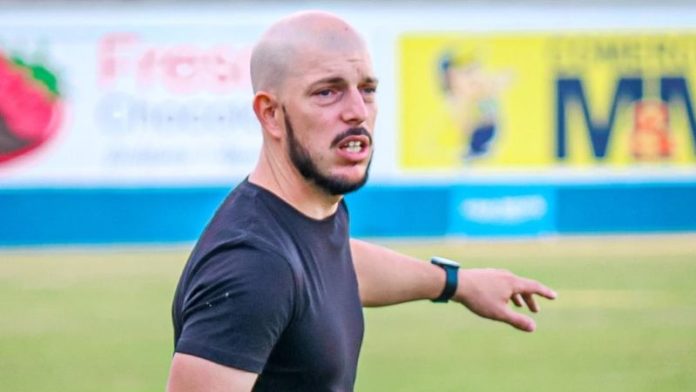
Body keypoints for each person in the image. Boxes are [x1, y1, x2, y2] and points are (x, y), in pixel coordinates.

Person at [167, 10, 557, 392]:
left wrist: (457, 283)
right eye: (327, 92)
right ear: (270, 114)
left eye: (367, 90)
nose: (356, 111)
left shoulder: (306, 217)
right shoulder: (253, 266)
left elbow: (333, 263)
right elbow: (287, 277)